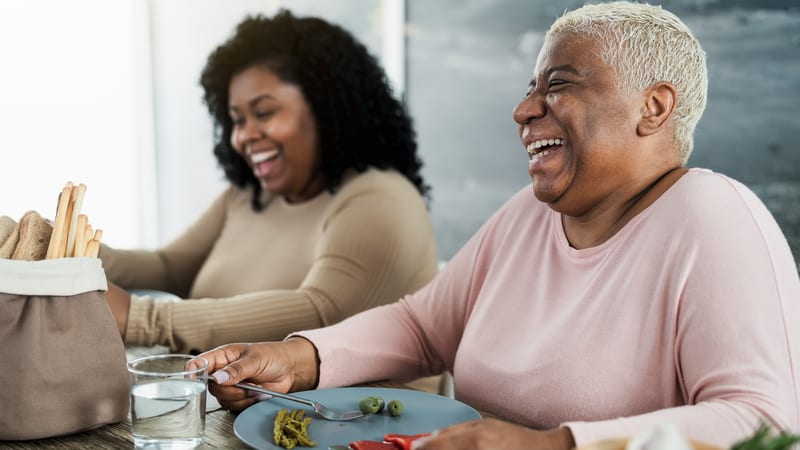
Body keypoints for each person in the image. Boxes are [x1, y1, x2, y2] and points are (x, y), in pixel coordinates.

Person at [192, 2, 800, 449]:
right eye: (529, 87)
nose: (523, 109)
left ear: (654, 107)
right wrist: (299, 360)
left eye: (558, 84)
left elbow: (764, 421)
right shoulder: (528, 215)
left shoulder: (713, 217)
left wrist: (546, 445)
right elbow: (423, 326)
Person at [101, 10, 439, 355]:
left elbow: (321, 312)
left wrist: (141, 318)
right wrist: (80, 254)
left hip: (356, 411)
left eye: (264, 113)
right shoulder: (248, 196)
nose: (243, 136)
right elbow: (169, 268)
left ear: (327, 108)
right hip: (234, 405)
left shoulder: (380, 198)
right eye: (237, 120)